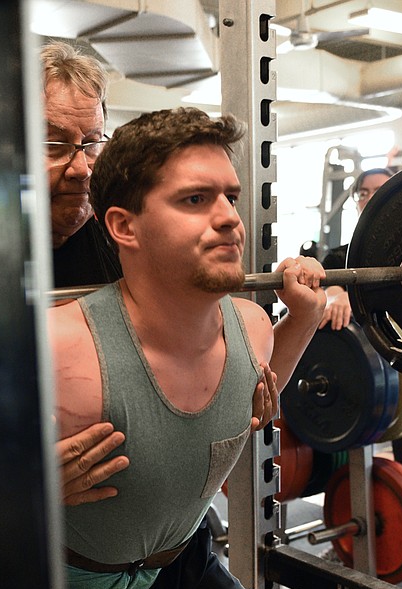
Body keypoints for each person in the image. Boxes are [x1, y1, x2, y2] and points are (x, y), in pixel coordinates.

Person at [50, 108, 347, 589]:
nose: (230, 219)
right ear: (124, 226)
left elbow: (254, 388)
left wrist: (300, 317)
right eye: (194, 199)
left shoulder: (251, 325)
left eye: (231, 198)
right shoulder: (61, 350)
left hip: (174, 575)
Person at [42, 40, 278, 506]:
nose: (80, 169)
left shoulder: (126, 240)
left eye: (91, 143)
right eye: (53, 144)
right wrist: (15, 482)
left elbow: (199, 350)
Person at [313, 166, 402, 589]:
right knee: (347, 459)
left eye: (378, 192)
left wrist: (357, 294)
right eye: (363, 193)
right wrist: (333, 293)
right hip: (354, 379)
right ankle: (344, 543)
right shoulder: (338, 256)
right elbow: (315, 295)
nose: (369, 199)